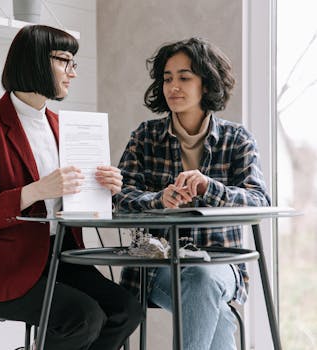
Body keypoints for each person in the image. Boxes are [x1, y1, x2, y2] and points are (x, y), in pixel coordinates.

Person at [0, 25, 141, 350]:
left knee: (125, 310)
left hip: (59, 260)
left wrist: (103, 188)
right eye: (65, 61)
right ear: (37, 61)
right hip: (3, 269)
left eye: (74, 63)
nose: (73, 73)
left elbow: (71, 205)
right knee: (84, 318)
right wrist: (35, 191)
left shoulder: (61, 126)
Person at [115, 37, 271, 350]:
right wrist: (158, 200)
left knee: (203, 278)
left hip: (221, 264)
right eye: (167, 78)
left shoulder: (236, 138)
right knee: (219, 314)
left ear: (207, 83)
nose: (174, 86)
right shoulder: (145, 136)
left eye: (184, 77)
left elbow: (258, 200)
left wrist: (209, 188)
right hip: (157, 266)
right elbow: (119, 196)